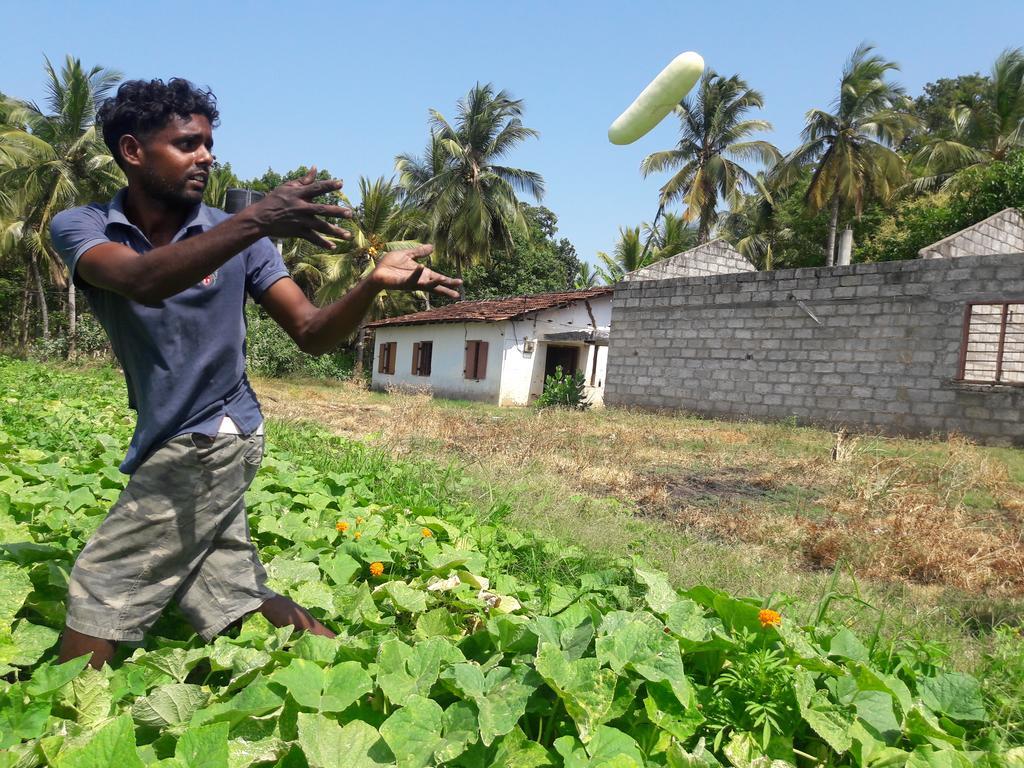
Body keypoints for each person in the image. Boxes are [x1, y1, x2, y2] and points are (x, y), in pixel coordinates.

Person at [50, 78, 461, 669]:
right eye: (187, 144)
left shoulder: (242, 239)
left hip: (212, 433)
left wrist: (371, 284)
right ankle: (353, 671)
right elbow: (143, 280)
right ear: (133, 151)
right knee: (231, 595)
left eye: (209, 143)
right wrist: (257, 220)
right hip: (169, 432)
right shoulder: (85, 226)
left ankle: (64, 728)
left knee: (101, 585)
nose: (207, 157)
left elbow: (313, 333)